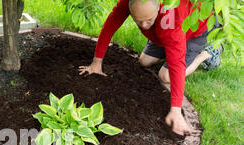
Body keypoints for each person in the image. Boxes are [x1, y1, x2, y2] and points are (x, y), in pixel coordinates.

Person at [79, 0, 223, 136]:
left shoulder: (171, 16)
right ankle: (171, 46)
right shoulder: (129, 3)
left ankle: (208, 53)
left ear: (158, 7)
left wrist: (176, 110)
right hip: (162, 32)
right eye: (138, 21)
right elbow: (110, 25)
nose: (144, 25)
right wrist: (96, 63)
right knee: (144, 61)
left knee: (166, 76)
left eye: (149, 19)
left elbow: (177, 64)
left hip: (193, 32)